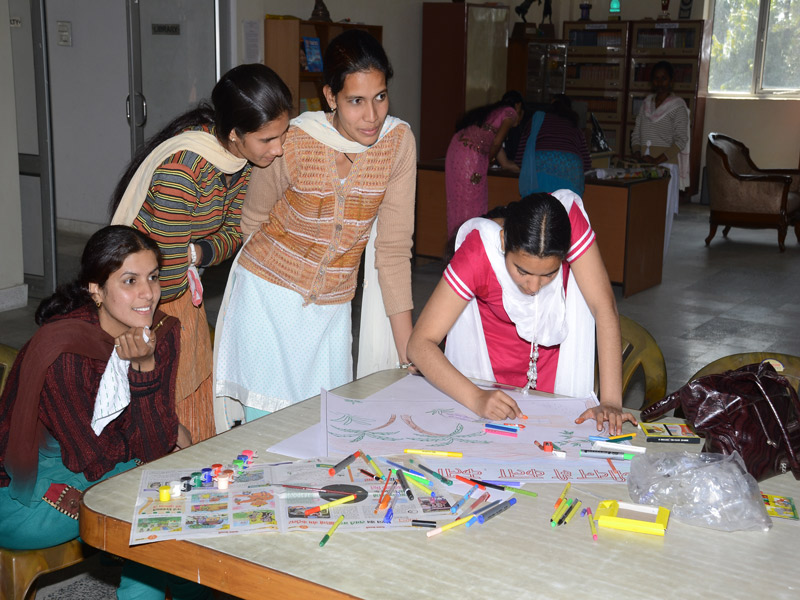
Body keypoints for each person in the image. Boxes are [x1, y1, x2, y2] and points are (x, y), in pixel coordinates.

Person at [213, 30, 416, 431]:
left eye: (380, 96)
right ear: (330, 97)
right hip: (265, 300)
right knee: (266, 434)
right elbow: (253, 221)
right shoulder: (293, 140)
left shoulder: (397, 144)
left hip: (332, 313)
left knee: (324, 432)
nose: (372, 115)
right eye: (356, 101)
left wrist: (409, 352)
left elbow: (393, 250)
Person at [0, 226, 210, 599]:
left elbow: (152, 444)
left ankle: (179, 587)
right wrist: (148, 385)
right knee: (163, 493)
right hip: (27, 495)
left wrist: (150, 387)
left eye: (153, 277)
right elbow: (95, 458)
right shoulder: (66, 352)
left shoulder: (161, 333)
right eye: (130, 281)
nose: (148, 293)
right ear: (96, 290)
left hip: (103, 465)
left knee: (176, 483)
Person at [109, 63, 292, 444]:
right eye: (267, 139)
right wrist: (194, 258)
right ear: (234, 134)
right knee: (166, 397)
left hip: (182, 288)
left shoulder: (240, 161)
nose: (278, 149)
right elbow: (167, 274)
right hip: (150, 300)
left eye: (282, 135)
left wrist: (194, 253)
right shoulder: (184, 170)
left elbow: (235, 233)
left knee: (195, 389)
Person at [407, 191, 637, 435]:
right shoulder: (478, 252)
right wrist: (476, 397)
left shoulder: (568, 224)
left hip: (555, 368)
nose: (534, 287)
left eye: (549, 274)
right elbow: (420, 343)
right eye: (522, 271)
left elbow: (604, 307)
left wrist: (610, 401)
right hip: (489, 374)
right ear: (503, 242)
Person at [445, 91, 524, 239]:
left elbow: (504, 161)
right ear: (518, 106)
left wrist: (518, 168)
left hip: (457, 149)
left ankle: (457, 242)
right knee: (471, 201)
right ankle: (469, 241)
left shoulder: (494, 113)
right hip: (470, 155)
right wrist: (488, 160)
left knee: (459, 200)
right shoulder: (510, 112)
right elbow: (497, 143)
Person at [630, 60, 690, 255]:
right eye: (656, 79)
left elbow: (681, 140)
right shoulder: (646, 104)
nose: (660, 83)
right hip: (644, 167)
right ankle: (643, 257)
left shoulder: (678, 106)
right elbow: (636, 133)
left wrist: (656, 161)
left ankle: (658, 258)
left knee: (661, 215)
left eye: (664, 79)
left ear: (671, 81)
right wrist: (638, 153)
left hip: (665, 167)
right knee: (643, 213)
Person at [518, 94, 592, 197]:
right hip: (571, 168)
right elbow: (587, 164)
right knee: (566, 205)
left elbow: (520, 158)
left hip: (540, 167)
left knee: (538, 205)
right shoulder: (575, 126)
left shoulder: (536, 121)